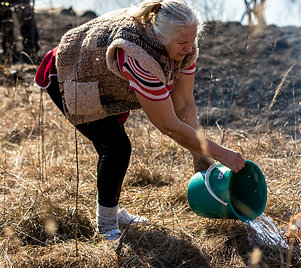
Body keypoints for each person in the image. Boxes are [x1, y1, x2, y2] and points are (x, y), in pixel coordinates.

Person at [34, 0, 246, 240]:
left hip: (104, 79)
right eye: (182, 43)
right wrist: (222, 154)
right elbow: (168, 125)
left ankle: (111, 213)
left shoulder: (184, 45)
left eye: (192, 40)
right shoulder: (137, 53)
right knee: (115, 148)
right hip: (68, 73)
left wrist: (200, 154)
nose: (189, 47)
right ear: (160, 35)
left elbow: (184, 104)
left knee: (115, 147)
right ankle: (106, 225)